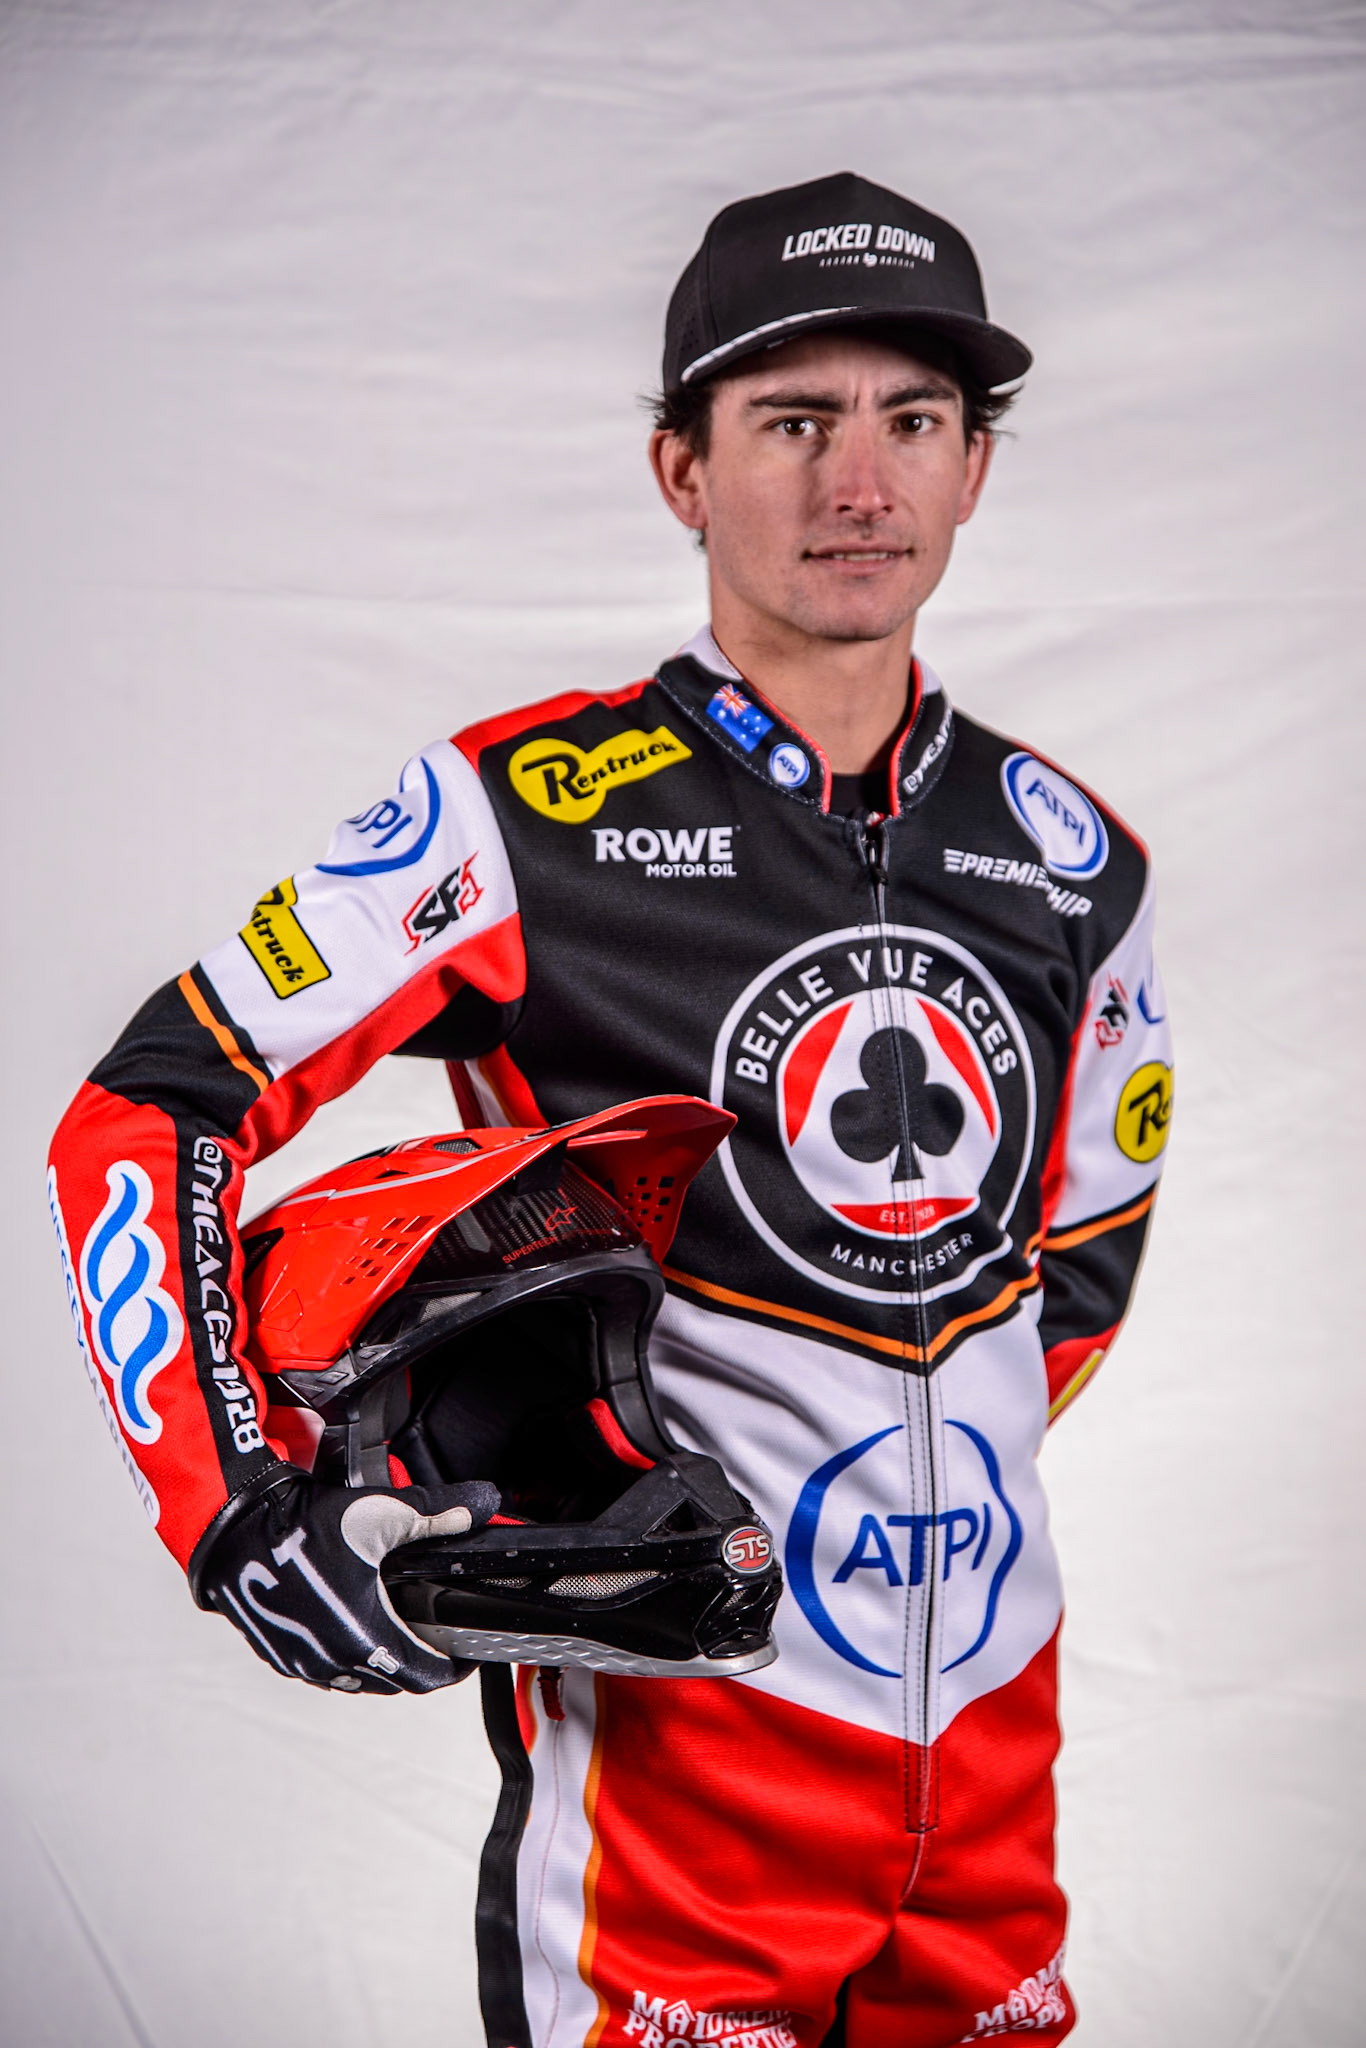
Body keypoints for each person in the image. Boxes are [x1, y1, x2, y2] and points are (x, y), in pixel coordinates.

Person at [48, 171, 1172, 2047]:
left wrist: (885, 1487)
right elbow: (150, 1104)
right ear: (681, 471)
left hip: (993, 1779)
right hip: (676, 1795)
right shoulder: (517, 813)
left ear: (975, 467)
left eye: (913, 422)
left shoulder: (1076, 862)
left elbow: (1078, 1263)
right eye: (792, 422)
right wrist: (236, 1496)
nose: (859, 482)